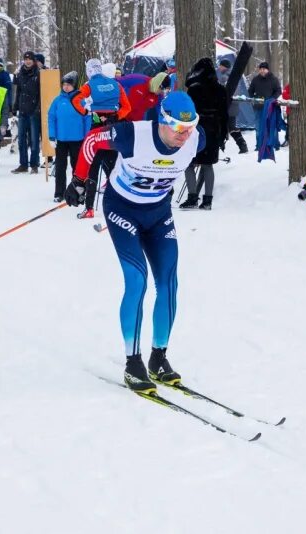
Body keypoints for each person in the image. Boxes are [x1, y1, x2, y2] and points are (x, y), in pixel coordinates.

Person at [64, 91, 205, 392]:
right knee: (137, 280)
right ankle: (133, 362)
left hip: (158, 215)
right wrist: (78, 180)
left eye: (190, 126)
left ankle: (159, 357)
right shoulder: (133, 135)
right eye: (179, 128)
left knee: (169, 283)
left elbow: (203, 139)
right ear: (162, 121)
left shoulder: (196, 139)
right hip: (122, 210)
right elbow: (91, 143)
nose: (185, 134)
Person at [72, 58, 132, 219]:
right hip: (112, 129)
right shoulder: (115, 84)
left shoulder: (88, 85)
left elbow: (75, 99)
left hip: (96, 129)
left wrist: (86, 111)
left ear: (89, 71)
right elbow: (127, 107)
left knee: (93, 170)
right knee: (113, 170)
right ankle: (120, 207)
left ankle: (89, 208)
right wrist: (116, 116)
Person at [180, 58, 228, 211]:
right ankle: (207, 200)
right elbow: (224, 114)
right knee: (208, 165)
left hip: (196, 129)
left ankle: (192, 197)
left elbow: (187, 112)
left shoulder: (194, 89)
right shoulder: (220, 89)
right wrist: (223, 133)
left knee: (189, 164)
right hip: (213, 129)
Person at [48, 70, 91, 202]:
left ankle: (78, 191)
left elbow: (87, 119)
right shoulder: (57, 100)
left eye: (69, 85)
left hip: (77, 140)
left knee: (77, 168)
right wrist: (52, 136)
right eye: (64, 84)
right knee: (60, 167)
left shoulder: (81, 100)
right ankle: (59, 193)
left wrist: (87, 137)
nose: (66, 87)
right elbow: (51, 118)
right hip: (61, 140)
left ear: (74, 86)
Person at [11, 51, 41, 174]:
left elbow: (41, 93)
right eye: (25, 59)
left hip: (34, 111)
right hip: (22, 111)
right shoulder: (20, 74)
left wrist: (38, 108)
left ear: (33, 61)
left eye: (30, 59)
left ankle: (34, 164)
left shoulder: (38, 74)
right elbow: (18, 91)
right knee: (21, 139)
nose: (27, 61)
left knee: (34, 140)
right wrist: (15, 106)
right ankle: (23, 164)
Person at [216, 58, 248, 154]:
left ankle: (242, 146)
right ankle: (223, 146)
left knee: (229, 127)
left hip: (229, 107)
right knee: (224, 127)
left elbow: (224, 87)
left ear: (225, 67)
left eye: (221, 66)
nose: (219, 67)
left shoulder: (227, 76)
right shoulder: (230, 75)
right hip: (227, 107)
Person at [248, 61, 282, 150]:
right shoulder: (255, 79)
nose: (262, 71)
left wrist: (272, 99)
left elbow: (278, 91)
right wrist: (254, 97)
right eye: (261, 69)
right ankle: (259, 145)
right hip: (258, 107)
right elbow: (250, 91)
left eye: (264, 69)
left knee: (271, 126)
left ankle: (275, 145)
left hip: (270, 107)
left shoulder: (273, 79)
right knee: (259, 128)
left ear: (267, 70)